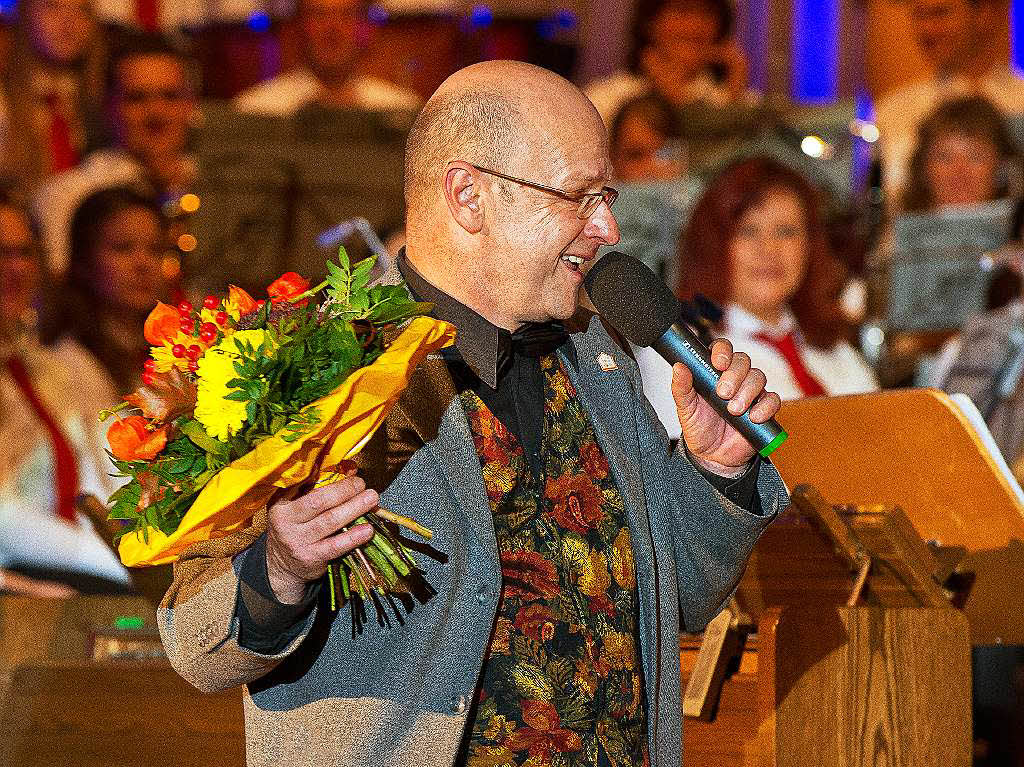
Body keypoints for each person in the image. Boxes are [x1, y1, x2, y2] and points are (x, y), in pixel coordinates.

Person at [159, 60, 787, 767]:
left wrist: (716, 474)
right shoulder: (316, 361)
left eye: (605, 195)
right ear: (468, 196)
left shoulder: (595, 354)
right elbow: (193, 642)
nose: (607, 225)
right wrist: (279, 565)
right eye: (579, 196)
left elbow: (668, 606)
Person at [0, 190, 131, 593]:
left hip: (71, 570)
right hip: (29, 580)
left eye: (24, 253)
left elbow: (97, 478)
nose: (15, 268)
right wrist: (111, 558)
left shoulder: (44, 368)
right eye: (1, 253)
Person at [674, 157, 878, 403]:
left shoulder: (837, 349)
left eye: (786, 231)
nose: (768, 249)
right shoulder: (683, 353)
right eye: (748, 231)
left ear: (809, 247)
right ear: (712, 244)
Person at [33, 31, 197, 274]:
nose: (156, 113)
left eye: (170, 96)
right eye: (137, 98)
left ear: (190, 104)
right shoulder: (69, 196)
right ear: (109, 107)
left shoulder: (219, 184)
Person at [874, 0, 1024, 199]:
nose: (926, 30)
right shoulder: (892, 111)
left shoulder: (1019, 100)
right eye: (919, 16)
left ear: (984, 14)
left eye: (940, 13)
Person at [41, 185, 168, 393]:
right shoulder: (68, 364)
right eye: (123, 248)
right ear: (84, 260)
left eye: (155, 249)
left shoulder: (169, 351)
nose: (143, 263)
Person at [585, 0, 755, 128]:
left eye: (707, 14)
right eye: (682, 12)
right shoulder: (605, 101)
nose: (694, 27)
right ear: (650, 23)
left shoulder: (741, 102)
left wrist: (733, 91)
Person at [233, 0, 420, 116]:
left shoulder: (402, 112)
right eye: (319, 15)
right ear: (298, 26)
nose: (333, 29)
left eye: (346, 15)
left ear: (365, 29)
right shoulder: (256, 110)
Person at [0, 0, 106, 188]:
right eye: (53, 6)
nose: (69, 21)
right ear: (24, 13)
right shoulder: (4, 102)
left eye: (83, 10)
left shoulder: (101, 98)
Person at [898, 95, 1018, 213]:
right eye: (944, 157)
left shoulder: (1017, 230)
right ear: (923, 169)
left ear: (1002, 167)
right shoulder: (894, 230)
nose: (959, 172)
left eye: (975, 157)